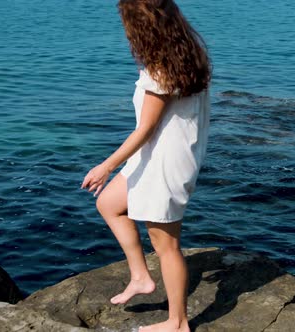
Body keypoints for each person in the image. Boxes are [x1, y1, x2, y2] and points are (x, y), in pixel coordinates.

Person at [80, 0, 211, 331]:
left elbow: (145, 129)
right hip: (155, 157)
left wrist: (106, 165)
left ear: (142, 29)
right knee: (109, 204)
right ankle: (141, 277)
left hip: (164, 165)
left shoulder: (162, 72)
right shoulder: (190, 54)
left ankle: (178, 323)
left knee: (167, 247)